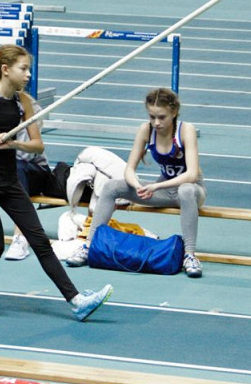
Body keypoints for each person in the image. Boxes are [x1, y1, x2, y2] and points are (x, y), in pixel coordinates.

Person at [0, 44, 113, 320]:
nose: (28, 74)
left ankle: (77, 301)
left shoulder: (24, 102)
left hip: (9, 180)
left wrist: (13, 143)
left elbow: (38, 146)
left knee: (39, 241)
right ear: (6, 70)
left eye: (29, 68)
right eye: (23, 68)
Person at [66, 87, 206, 278]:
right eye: (152, 117)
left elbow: (191, 174)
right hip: (164, 191)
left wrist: (156, 186)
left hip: (192, 191)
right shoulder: (146, 130)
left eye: (162, 117)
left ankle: (189, 256)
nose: (156, 122)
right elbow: (129, 169)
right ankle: (90, 245)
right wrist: (138, 186)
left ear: (174, 112)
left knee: (186, 190)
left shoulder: (186, 130)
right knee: (111, 187)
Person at [0, 99, 58, 262]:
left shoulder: (27, 107)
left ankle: (20, 239)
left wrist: (10, 145)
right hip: (1, 170)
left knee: (17, 167)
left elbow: (30, 152)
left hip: (34, 170)